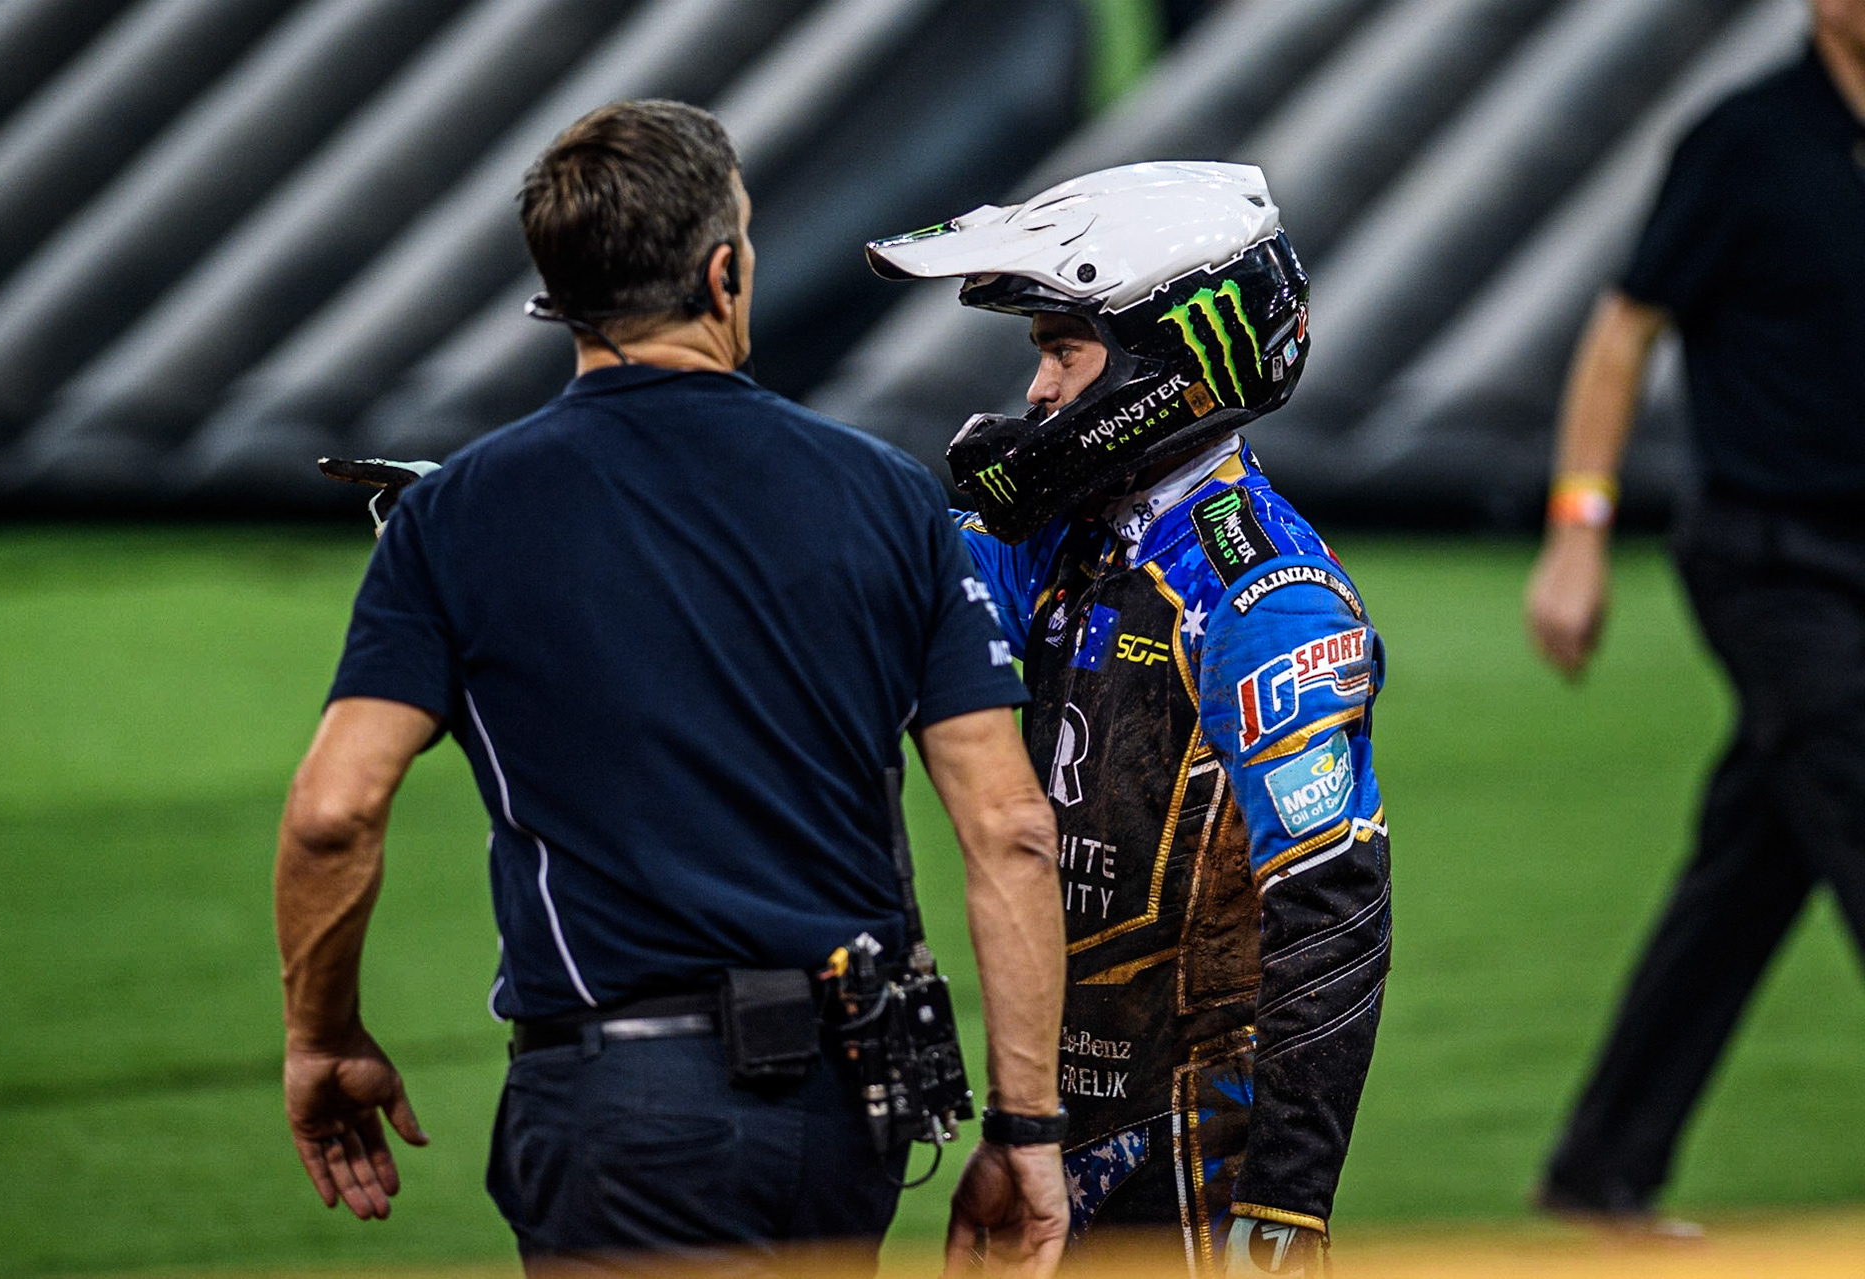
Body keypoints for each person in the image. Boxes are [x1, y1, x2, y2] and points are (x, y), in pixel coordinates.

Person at [273, 99, 1072, 1276]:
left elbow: (333, 811)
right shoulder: (887, 497)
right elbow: (1008, 832)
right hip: (845, 1112)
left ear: (562, 290)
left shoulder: (457, 514)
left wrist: (320, 1033)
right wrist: (1027, 1131)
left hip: (623, 1116)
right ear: (721, 271)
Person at [865, 162, 1392, 1277]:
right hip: (1062, 1125)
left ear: (1168, 363)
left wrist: (1286, 1209)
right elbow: (862, 593)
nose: (1040, 392)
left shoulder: (1262, 599)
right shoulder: (1053, 538)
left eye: (1064, 351)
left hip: (1197, 1169)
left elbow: (1335, 913)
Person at [1525, 0, 1865, 1225]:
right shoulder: (1747, 139)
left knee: (1754, 863)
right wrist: (1578, 534)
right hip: (1775, 561)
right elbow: (1624, 331)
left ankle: (1599, 1168)